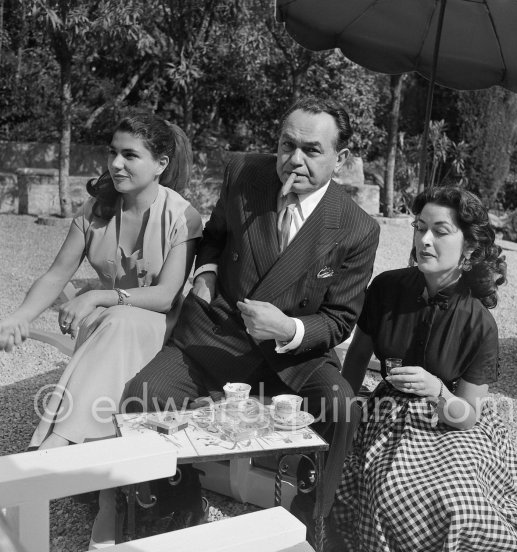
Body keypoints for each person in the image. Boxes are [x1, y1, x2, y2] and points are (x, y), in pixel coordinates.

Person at [123, 96, 380, 535]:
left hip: (293, 358)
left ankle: (315, 514)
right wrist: (205, 272)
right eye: (286, 145)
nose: (293, 160)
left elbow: (339, 320)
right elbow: (217, 234)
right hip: (216, 333)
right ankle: (175, 494)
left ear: (341, 159)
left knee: (341, 405)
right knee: (142, 394)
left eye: (312, 150)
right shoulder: (245, 173)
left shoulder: (357, 228)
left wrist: (290, 328)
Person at [0, 111, 202, 548]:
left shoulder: (183, 216)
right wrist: (20, 316)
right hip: (107, 329)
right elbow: (56, 275)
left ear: (161, 163)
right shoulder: (97, 208)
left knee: (121, 322)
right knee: (113, 330)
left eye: (130, 155)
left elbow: (166, 296)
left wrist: (97, 295)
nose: (115, 164)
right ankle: (109, 505)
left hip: (156, 327)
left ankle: (52, 449)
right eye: (113, 152)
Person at [333, 187, 517, 551]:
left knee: (455, 503)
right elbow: (356, 357)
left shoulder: (479, 324)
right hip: (387, 412)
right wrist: (342, 409)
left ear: (468, 247)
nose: (425, 240)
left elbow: (466, 415)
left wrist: (436, 389)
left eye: (440, 230)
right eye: (420, 228)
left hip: (449, 418)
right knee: (392, 490)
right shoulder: (386, 288)